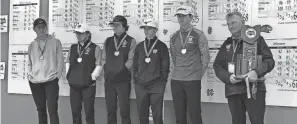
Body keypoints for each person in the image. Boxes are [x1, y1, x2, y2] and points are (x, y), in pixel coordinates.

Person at [213, 12, 275, 124]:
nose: (231, 26)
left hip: (254, 89)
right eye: (228, 24)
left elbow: (269, 61)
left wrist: (256, 72)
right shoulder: (227, 43)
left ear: (243, 22)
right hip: (233, 90)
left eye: (234, 22)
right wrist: (228, 77)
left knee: (257, 121)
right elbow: (217, 66)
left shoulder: (257, 40)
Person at [169, 5, 210, 124]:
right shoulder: (173, 36)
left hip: (193, 80)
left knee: (195, 113)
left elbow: (205, 57)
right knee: (179, 114)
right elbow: (174, 57)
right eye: (179, 16)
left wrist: (197, 75)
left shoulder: (199, 34)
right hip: (176, 80)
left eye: (183, 16)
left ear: (191, 17)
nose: (180, 19)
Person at [132, 19, 170, 124]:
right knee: (142, 115)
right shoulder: (139, 46)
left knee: (157, 116)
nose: (146, 31)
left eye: (149, 28)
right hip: (140, 85)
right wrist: (136, 80)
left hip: (156, 85)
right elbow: (134, 66)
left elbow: (165, 67)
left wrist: (161, 82)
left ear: (155, 30)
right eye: (144, 28)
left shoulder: (162, 46)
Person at [101, 15, 137, 124]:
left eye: (117, 25)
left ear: (124, 26)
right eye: (113, 25)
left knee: (124, 111)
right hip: (109, 81)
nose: (114, 27)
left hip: (123, 81)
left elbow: (131, 60)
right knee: (111, 111)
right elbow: (103, 58)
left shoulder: (131, 41)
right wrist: (107, 69)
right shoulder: (108, 41)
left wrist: (121, 69)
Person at [27, 18, 64, 124]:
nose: (41, 30)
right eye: (39, 28)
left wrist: (57, 76)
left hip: (51, 80)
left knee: (52, 110)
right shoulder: (31, 45)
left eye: (43, 27)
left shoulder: (55, 42)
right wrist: (30, 76)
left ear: (46, 28)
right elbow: (29, 63)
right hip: (35, 82)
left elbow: (60, 61)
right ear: (34, 29)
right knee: (41, 110)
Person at [65, 23, 102, 124]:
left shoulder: (95, 48)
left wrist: (92, 78)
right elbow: (68, 62)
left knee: (89, 114)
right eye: (76, 33)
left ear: (88, 34)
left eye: (80, 33)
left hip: (88, 86)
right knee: (75, 114)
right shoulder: (72, 48)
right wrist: (68, 76)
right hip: (74, 86)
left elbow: (99, 64)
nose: (78, 35)